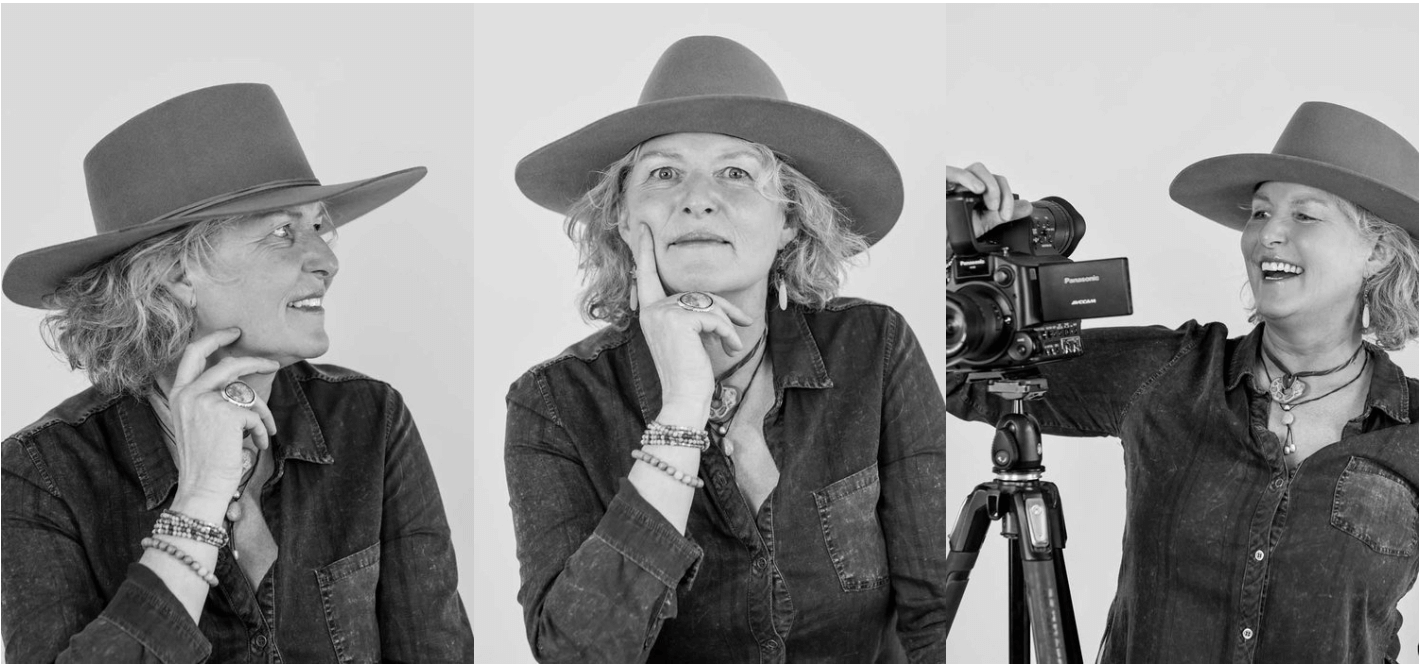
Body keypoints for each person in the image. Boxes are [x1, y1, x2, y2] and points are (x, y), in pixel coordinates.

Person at [505, 36, 946, 662]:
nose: (697, 196)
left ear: (790, 219)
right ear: (624, 221)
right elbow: (575, 653)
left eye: (736, 172)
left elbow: (934, 613)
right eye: (663, 173)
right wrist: (682, 411)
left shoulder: (874, 347)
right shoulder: (552, 402)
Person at [1, 83, 473, 662]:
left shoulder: (371, 419)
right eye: (282, 231)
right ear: (175, 274)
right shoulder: (43, 474)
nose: (328, 259)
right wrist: (197, 502)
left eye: (319, 226)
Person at [946, 102, 1418, 662]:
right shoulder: (1170, 372)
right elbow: (964, 377)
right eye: (1260, 213)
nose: (1268, 235)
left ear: (1379, 252)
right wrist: (958, 248)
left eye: (1305, 217)